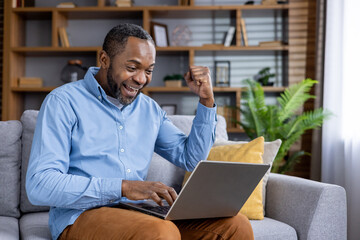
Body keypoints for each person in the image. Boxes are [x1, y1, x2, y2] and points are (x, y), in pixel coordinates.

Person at [26, 23, 254, 240]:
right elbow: (40, 185)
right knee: (160, 232)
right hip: (80, 216)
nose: (141, 79)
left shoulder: (148, 109)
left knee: (236, 226)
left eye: (149, 70)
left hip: (139, 213)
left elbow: (192, 159)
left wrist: (206, 100)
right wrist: (124, 187)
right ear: (104, 59)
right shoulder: (63, 102)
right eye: (132, 68)